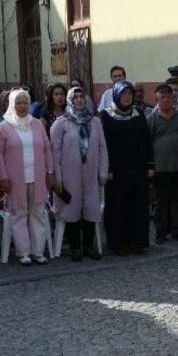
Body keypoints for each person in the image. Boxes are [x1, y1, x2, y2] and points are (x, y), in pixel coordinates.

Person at [0, 89, 53, 266]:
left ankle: (38, 251)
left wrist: (50, 171)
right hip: (15, 179)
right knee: (19, 214)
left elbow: (47, 148)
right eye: (18, 103)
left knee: (38, 213)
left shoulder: (37, 124)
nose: (22, 106)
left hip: (37, 177)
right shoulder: (4, 126)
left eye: (25, 102)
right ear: (12, 104)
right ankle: (24, 252)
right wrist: (3, 177)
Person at [51, 86, 108, 260]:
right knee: (72, 208)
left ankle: (89, 246)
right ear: (70, 100)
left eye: (82, 97)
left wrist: (103, 171)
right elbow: (55, 152)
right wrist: (57, 176)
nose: (79, 100)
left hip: (91, 173)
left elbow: (102, 148)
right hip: (69, 174)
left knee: (90, 207)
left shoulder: (95, 122)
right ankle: (75, 247)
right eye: (75, 97)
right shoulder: (61, 123)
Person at [100, 80, 152, 255]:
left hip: (137, 169)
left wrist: (150, 165)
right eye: (124, 94)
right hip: (117, 171)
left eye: (130, 94)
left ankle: (137, 242)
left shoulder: (138, 114)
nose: (128, 97)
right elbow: (104, 145)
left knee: (138, 206)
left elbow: (147, 140)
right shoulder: (106, 116)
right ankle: (118, 243)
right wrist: (107, 169)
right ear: (116, 95)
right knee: (118, 207)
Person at [148, 83, 178, 243]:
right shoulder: (152, 119)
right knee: (161, 203)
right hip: (160, 168)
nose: (166, 100)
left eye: (168, 97)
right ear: (157, 100)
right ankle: (161, 233)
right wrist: (150, 166)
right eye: (162, 98)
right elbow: (148, 143)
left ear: (172, 98)